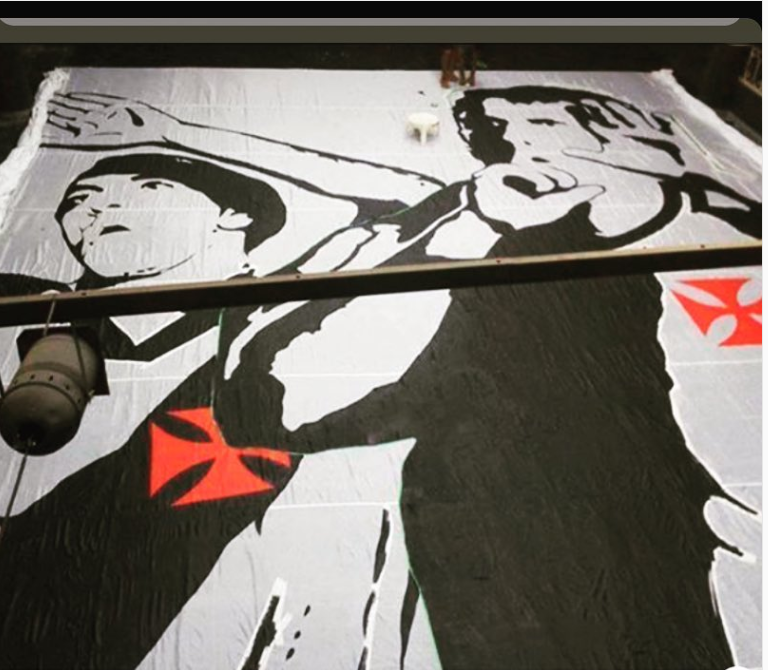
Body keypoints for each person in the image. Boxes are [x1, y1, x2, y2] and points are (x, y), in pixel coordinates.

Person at [0, 83, 760, 669]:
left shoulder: (695, 227)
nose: (527, 149)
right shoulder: (445, 238)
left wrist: (174, 131)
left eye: (552, 125)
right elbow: (291, 391)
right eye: (513, 135)